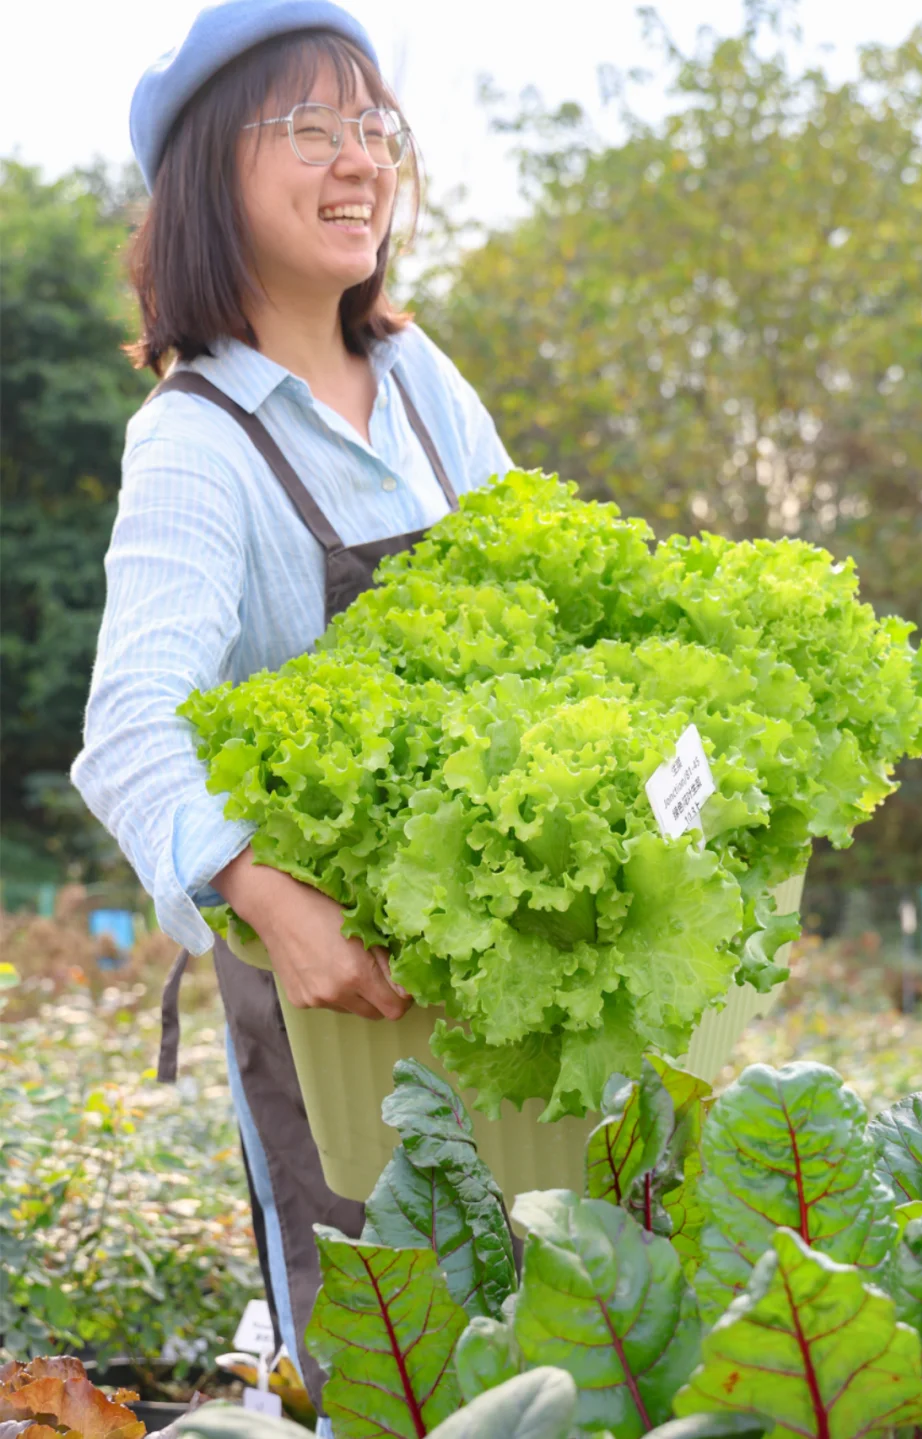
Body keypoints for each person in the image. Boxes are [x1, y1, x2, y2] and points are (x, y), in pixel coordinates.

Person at [70, 0, 514, 1411]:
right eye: (311, 129)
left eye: (374, 127)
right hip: (345, 1000)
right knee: (395, 1355)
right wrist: (264, 887)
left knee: (564, 1314)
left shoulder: (423, 380)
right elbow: (131, 730)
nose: (361, 161)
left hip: (509, 964)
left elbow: (552, 632)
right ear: (212, 174)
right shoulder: (197, 441)